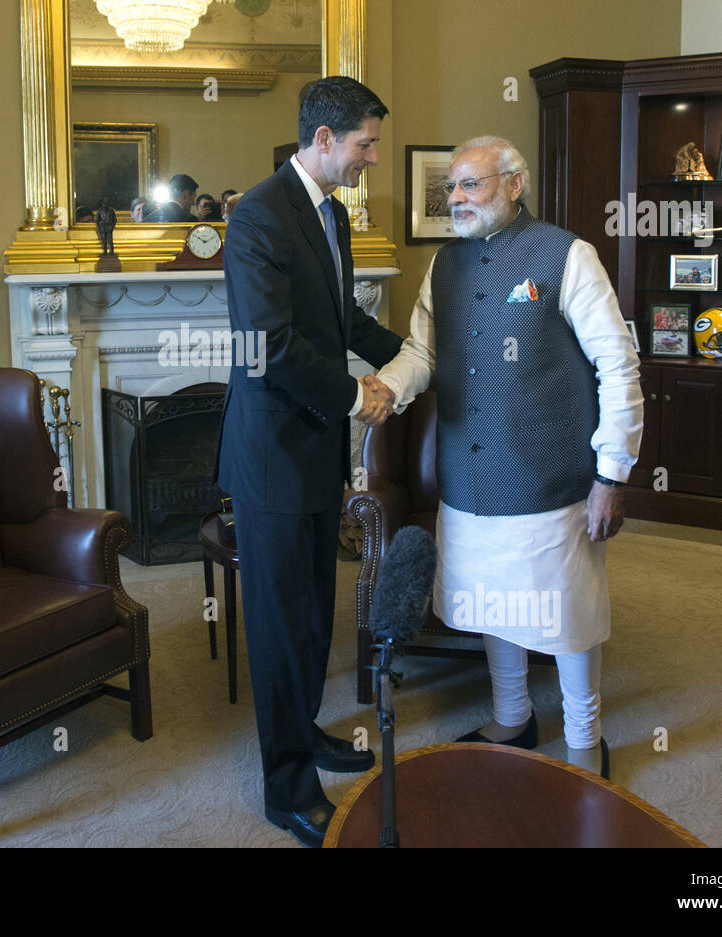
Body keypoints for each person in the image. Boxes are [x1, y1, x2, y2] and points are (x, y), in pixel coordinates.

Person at [363, 136, 644, 779]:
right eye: (452, 188)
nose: (457, 199)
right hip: (469, 474)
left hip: (554, 478)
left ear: (514, 185)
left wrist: (612, 474)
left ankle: (583, 740)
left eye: (472, 185)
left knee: (566, 615)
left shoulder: (568, 255)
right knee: (493, 603)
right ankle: (513, 719)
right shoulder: (445, 265)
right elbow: (422, 353)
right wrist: (386, 388)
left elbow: (618, 365)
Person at [214, 76, 405, 847]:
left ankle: (308, 731)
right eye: (365, 144)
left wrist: (416, 357)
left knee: (313, 615)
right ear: (323, 140)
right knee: (278, 626)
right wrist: (358, 397)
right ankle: (286, 788)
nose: (372, 158)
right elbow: (269, 347)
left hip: (316, 449)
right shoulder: (258, 215)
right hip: (272, 458)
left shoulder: (332, 214)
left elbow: (343, 317)